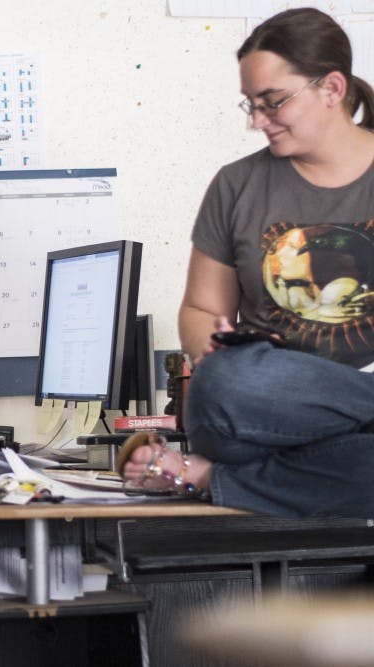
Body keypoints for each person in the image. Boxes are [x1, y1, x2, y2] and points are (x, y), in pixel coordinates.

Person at [118, 7, 374, 518]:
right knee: (226, 381)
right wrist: (206, 345)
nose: (258, 121)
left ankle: (216, 480)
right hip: (260, 405)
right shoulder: (236, 185)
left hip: (347, 402)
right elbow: (198, 308)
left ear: (332, 89)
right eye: (251, 105)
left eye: (273, 103)